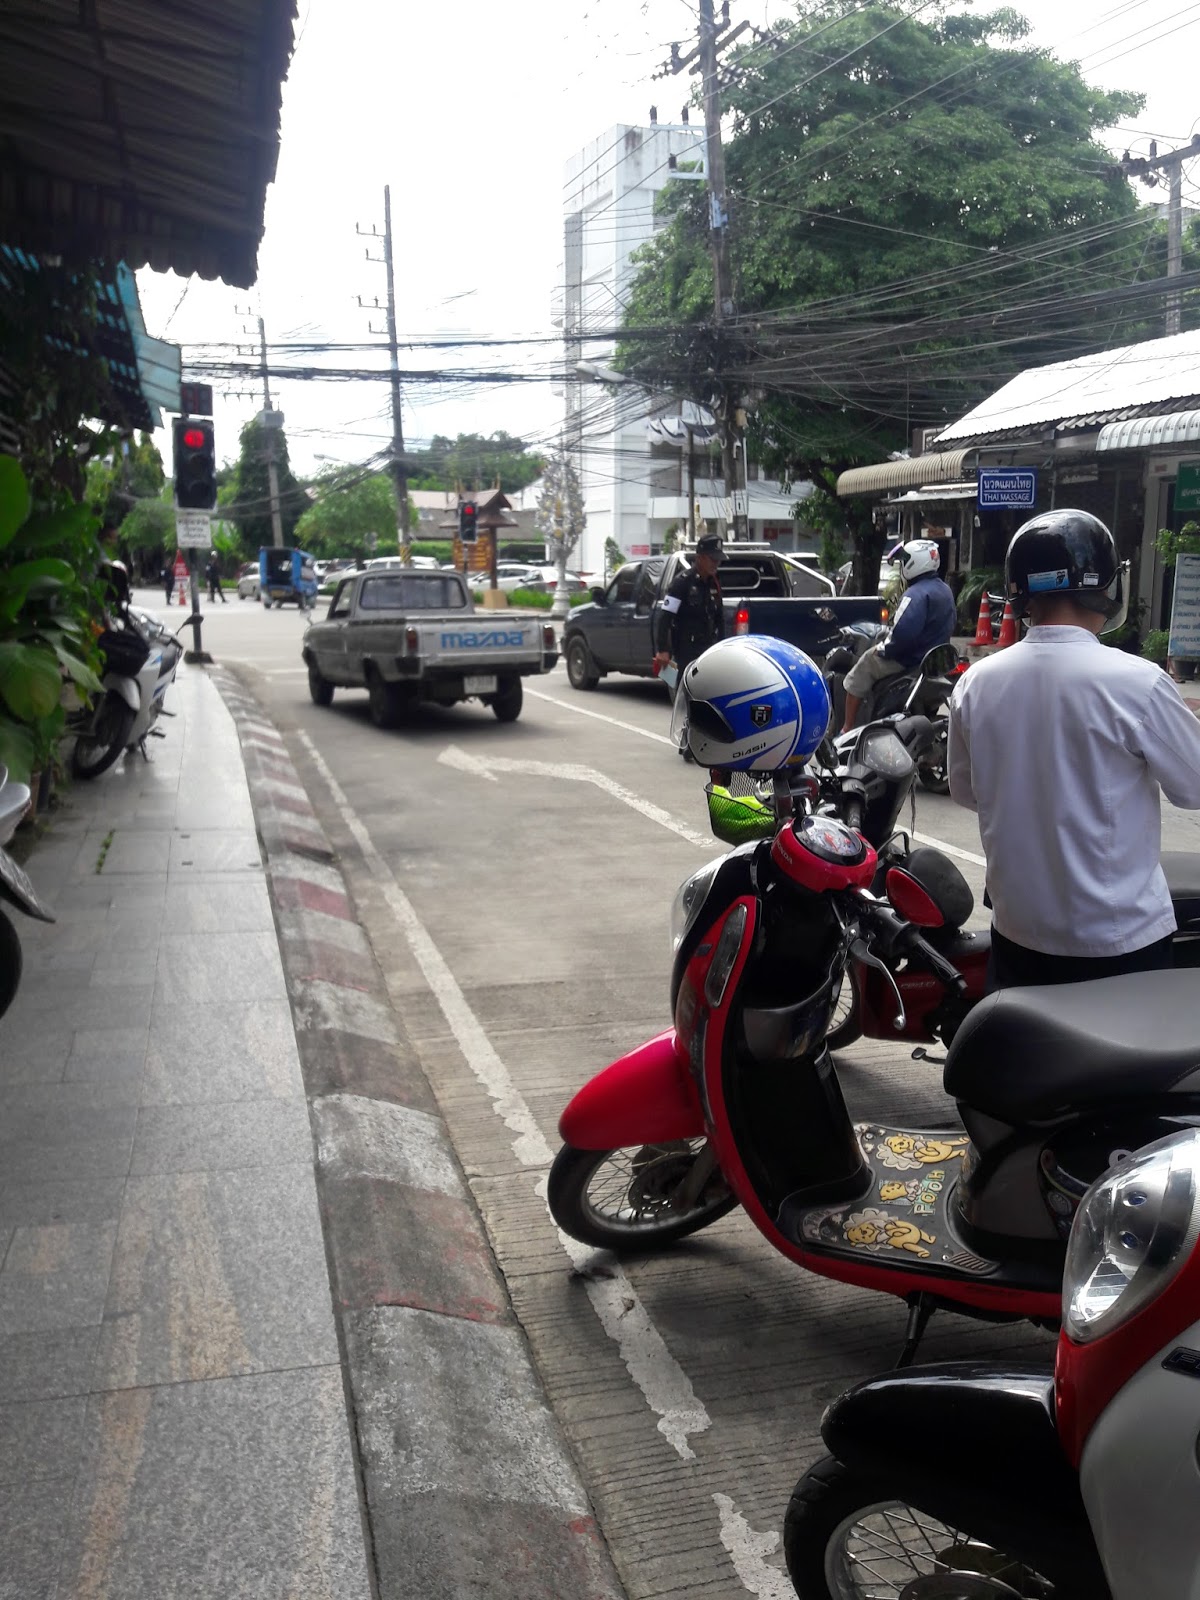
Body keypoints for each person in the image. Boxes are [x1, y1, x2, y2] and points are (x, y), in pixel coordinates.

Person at [948, 508, 1200, 991]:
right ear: (1105, 585)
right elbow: (1193, 788)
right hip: (1118, 944)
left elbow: (966, 791)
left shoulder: (975, 683)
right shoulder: (1138, 682)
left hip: (1017, 936)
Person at [840, 538, 956, 732]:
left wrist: (883, 649)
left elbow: (903, 635)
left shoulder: (915, 594)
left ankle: (846, 728)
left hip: (910, 660)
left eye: (904, 561)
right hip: (934, 658)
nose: (902, 566)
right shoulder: (945, 589)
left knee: (865, 664)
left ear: (915, 562)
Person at [653, 532, 726, 758]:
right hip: (687, 650)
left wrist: (723, 648)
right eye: (712, 559)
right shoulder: (682, 583)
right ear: (700, 557)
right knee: (691, 695)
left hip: (708, 650)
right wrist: (663, 650)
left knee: (709, 695)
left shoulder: (714, 584)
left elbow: (719, 619)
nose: (716, 564)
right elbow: (665, 618)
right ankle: (688, 739)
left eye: (718, 560)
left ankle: (699, 738)